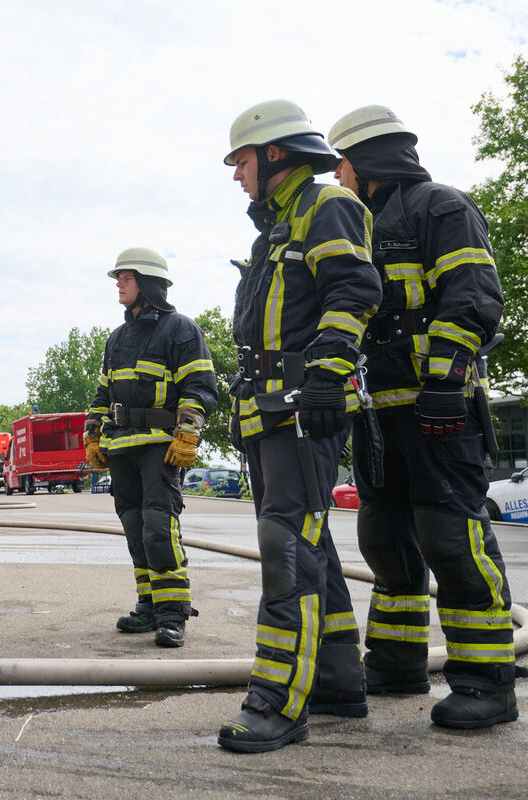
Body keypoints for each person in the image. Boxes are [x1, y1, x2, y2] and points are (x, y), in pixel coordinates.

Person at [327, 105, 518, 729]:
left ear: (366, 160)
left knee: (451, 541)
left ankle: (487, 684)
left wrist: (445, 378)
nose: (336, 176)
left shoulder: (441, 207)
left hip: (439, 411)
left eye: (341, 164)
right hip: (378, 418)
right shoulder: (357, 224)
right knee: (384, 543)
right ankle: (397, 663)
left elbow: (474, 297)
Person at [217, 100, 382, 752]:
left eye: (240, 161)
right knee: (309, 546)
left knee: (285, 548)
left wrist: (324, 375)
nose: (235, 175)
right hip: (269, 411)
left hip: (300, 409)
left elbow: (353, 291)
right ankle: (338, 683)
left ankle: (278, 701)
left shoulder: (325, 208)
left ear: (274, 155)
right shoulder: (275, 231)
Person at [84, 248, 218, 648]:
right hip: (121, 448)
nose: (118, 285)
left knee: (159, 529)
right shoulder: (118, 338)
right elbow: (103, 393)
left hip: (161, 447)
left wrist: (189, 431)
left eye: (125, 277)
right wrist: (93, 432)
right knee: (135, 530)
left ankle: (173, 613)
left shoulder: (181, 330)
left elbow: (199, 387)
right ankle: (149, 605)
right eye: (118, 278)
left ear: (148, 283)